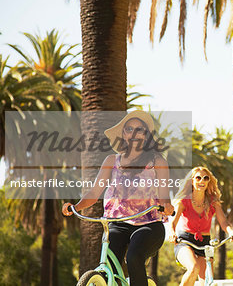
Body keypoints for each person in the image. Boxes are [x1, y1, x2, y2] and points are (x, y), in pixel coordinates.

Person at [62, 110, 174, 286]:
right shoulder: (111, 161)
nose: (134, 134)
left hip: (149, 225)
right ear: (123, 133)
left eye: (140, 130)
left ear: (146, 135)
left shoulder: (157, 161)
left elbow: (164, 197)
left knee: (133, 257)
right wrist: (76, 206)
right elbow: (93, 193)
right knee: (109, 267)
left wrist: (167, 206)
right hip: (117, 224)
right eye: (129, 129)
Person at [168, 167, 233, 286]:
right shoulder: (184, 201)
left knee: (206, 282)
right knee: (193, 268)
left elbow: (223, 222)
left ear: (208, 181)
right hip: (185, 241)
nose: (202, 181)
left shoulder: (213, 202)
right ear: (192, 181)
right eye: (198, 178)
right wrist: (171, 233)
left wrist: (231, 231)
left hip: (205, 244)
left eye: (205, 178)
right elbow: (173, 223)